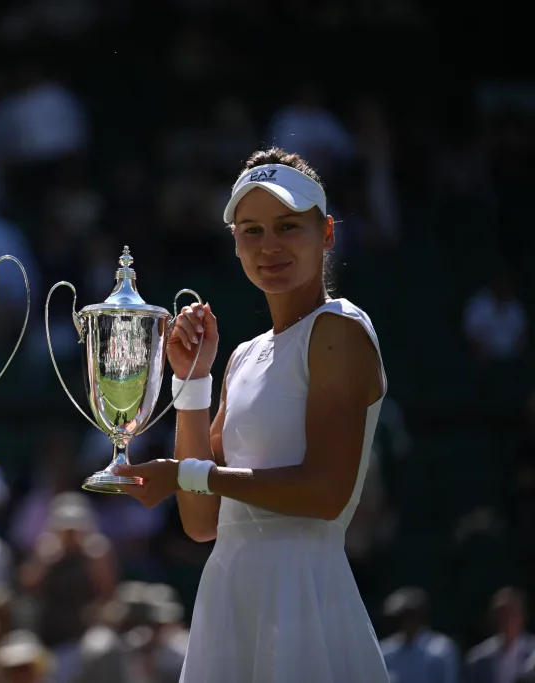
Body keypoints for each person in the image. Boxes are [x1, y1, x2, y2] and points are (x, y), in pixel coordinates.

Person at [112, 147, 390, 682]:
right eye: (251, 231)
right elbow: (201, 521)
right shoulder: (243, 355)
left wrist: (189, 476)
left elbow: (326, 495)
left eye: (288, 227)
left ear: (326, 233)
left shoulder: (339, 329)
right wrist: (191, 380)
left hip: (304, 593)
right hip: (230, 593)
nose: (269, 247)